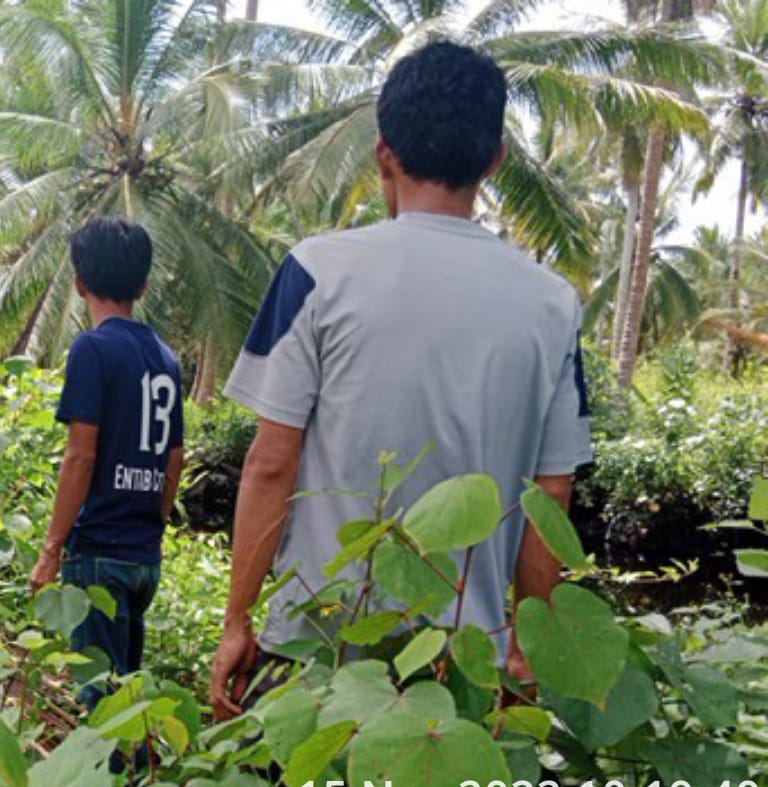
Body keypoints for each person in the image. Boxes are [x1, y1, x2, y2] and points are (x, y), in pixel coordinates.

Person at [210, 41, 593, 720]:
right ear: (496, 158)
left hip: (315, 654)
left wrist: (239, 619)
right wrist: (524, 648)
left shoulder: (316, 272)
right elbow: (551, 492)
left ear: (383, 153)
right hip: (462, 664)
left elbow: (272, 463)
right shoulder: (551, 304)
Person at [31, 217, 186, 707]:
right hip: (143, 558)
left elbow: (80, 456)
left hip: (97, 553)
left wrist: (51, 550)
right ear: (142, 285)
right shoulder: (165, 357)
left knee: (99, 701)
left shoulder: (92, 349)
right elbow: (175, 458)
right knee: (128, 696)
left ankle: (113, 783)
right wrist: (156, 524)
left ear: (79, 283)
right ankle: (137, 780)